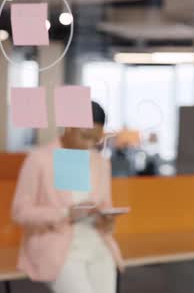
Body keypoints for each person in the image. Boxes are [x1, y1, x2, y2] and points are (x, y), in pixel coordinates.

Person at [12, 101, 123, 293]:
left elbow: (105, 205)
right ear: (69, 127)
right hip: (57, 246)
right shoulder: (39, 159)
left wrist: (107, 221)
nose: (89, 144)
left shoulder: (100, 162)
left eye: (95, 139)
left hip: (96, 243)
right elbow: (20, 212)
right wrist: (64, 213)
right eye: (85, 136)